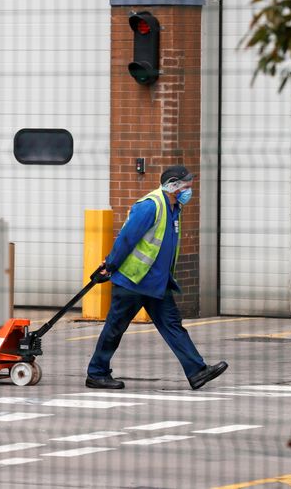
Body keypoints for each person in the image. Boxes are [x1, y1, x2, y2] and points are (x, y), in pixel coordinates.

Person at [86, 165, 228, 390]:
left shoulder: (174, 208)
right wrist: (111, 265)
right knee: (115, 327)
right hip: (133, 281)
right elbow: (126, 239)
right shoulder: (151, 206)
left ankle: (197, 371)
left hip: (156, 283)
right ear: (173, 185)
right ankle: (96, 373)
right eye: (187, 186)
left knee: (173, 326)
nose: (190, 190)